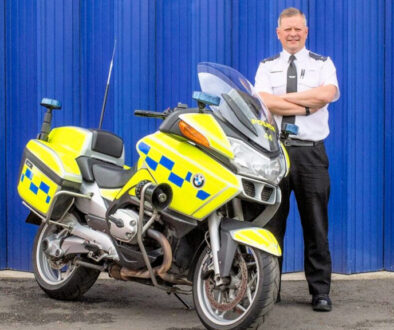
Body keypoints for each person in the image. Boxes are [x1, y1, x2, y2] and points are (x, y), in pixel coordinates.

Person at [254, 7, 340, 312]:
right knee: (270, 224)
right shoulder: (267, 66)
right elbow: (263, 100)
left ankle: (320, 292)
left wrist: (286, 102)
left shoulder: (322, 64)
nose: (293, 33)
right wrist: (306, 103)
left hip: (311, 153)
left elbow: (328, 93)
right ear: (279, 33)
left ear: (306, 32)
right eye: (287, 29)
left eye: (298, 29)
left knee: (316, 224)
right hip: (274, 152)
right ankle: (269, 290)